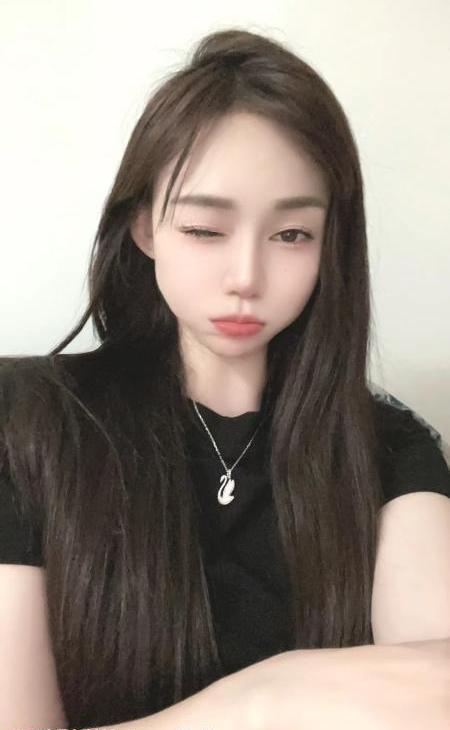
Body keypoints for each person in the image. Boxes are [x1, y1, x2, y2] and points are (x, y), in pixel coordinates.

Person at [0, 27, 449, 730]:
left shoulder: (388, 448)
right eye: (205, 230)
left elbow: (435, 687)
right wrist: (263, 701)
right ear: (145, 228)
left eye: (291, 235)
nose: (246, 277)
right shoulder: (27, 423)